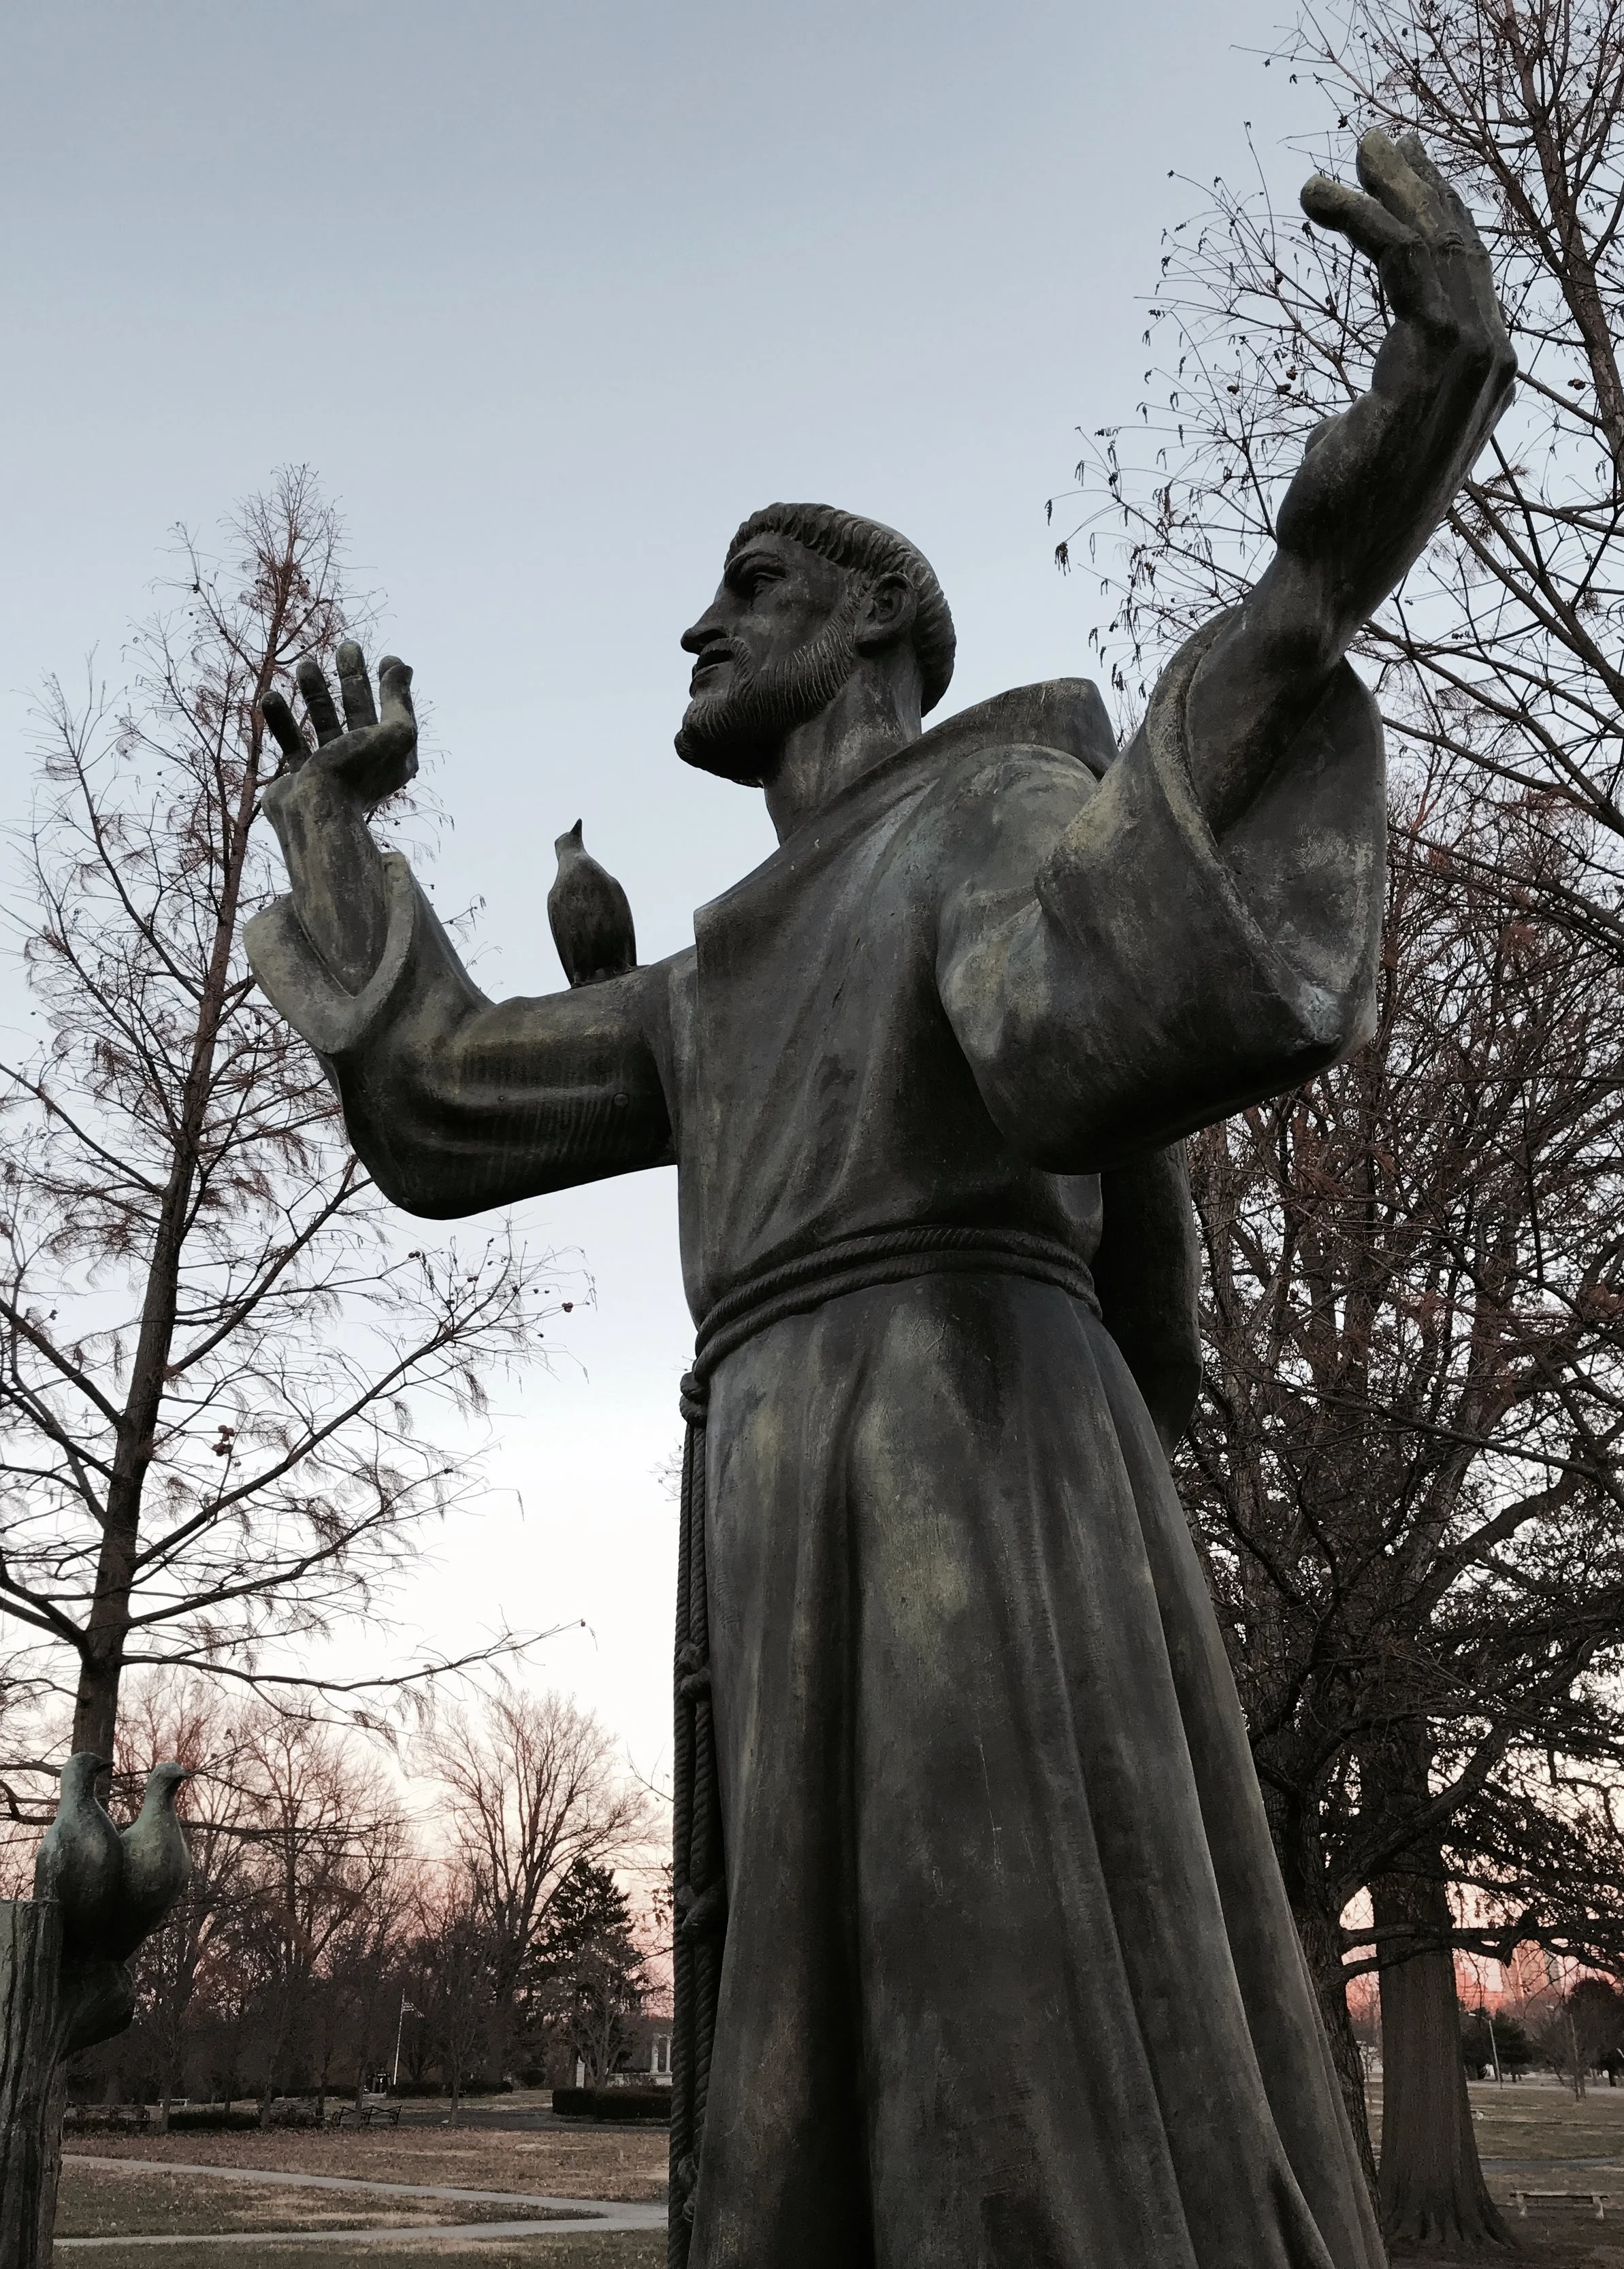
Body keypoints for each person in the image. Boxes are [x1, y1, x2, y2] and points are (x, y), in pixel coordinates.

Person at [248, 131, 1512, 2269]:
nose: (698, 619)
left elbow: (1074, 1016)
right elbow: (450, 1106)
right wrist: (330, 833)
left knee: (995, 1992)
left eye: (748, 584)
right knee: (811, 2034)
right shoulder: (719, 962)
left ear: (874, 623)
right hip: (773, 1480)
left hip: (964, 1443)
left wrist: (1349, 519)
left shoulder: (989, 800)